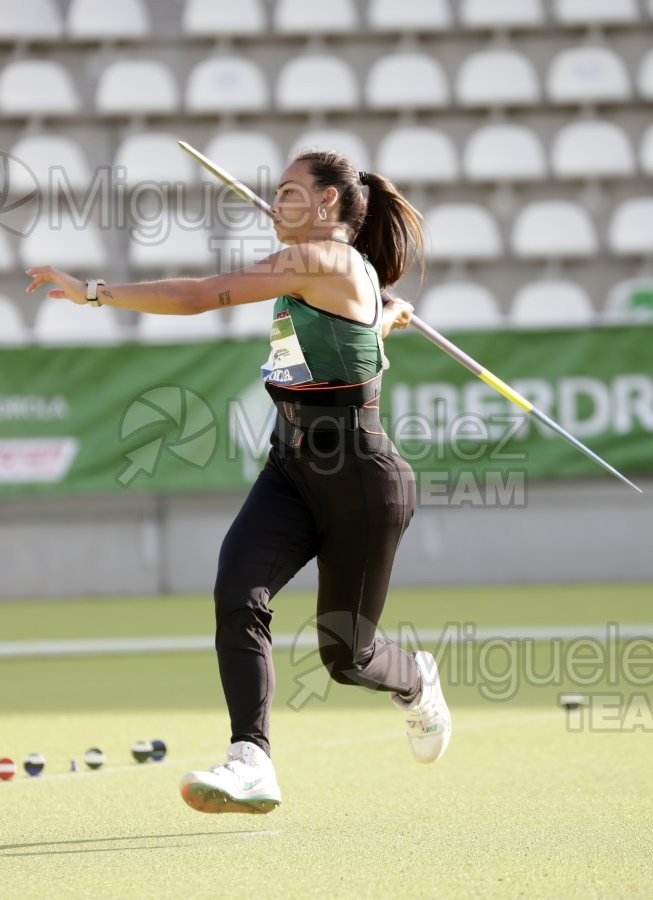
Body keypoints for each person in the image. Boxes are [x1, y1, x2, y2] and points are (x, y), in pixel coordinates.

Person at [26, 149, 452, 815]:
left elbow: (197, 296)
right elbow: (351, 344)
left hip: (362, 484)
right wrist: (384, 316)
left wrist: (93, 291)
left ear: (328, 204)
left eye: (287, 192)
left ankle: (416, 679)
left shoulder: (323, 261)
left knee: (347, 657)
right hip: (290, 470)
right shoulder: (341, 273)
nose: (274, 203)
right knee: (237, 592)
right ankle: (250, 759)